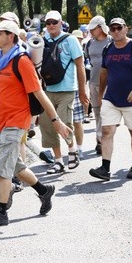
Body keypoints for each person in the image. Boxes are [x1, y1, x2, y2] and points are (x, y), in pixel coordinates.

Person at [0, 20, 72, 227]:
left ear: (11, 36)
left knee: (2, 167)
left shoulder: (21, 61)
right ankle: (43, 191)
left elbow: (39, 93)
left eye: (0, 33)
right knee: (16, 166)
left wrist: (56, 121)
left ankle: (1, 211)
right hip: (0, 119)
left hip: (16, 120)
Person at [89, 18, 132, 181]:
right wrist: (101, 94)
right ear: (109, 30)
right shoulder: (108, 48)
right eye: (113, 28)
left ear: (126, 29)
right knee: (107, 131)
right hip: (111, 98)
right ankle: (105, 168)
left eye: (119, 28)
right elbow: (104, 73)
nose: (116, 31)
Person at [39, 10, 88, 174]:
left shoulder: (71, 40)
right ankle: (58, 161)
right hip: (46, 89)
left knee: (65, 122)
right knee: (47, 125)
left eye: (54, 22)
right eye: (48, 23)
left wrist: (82, 90)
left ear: (61, 23)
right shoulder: (41, 40)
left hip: (67, 89)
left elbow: (80, 65)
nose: (51, 25)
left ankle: (72, 149)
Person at [85, 16, 112, 155]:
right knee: (96, 112)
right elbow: (89, 60)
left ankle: (102, 140)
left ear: (100, 28)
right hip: (93, 82)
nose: (90, 30)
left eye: (93, 28)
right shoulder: (89, 44)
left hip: (109, 83)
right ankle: (100, 138)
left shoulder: (112, 42)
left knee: (105, 112)